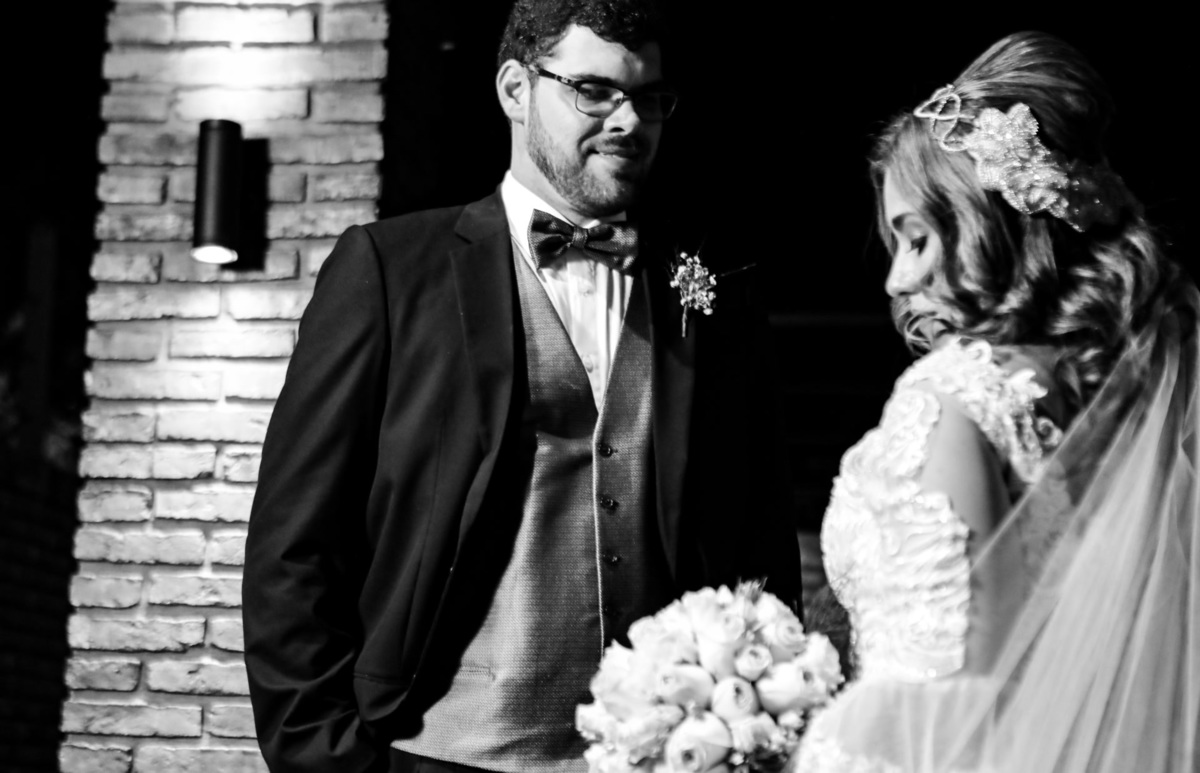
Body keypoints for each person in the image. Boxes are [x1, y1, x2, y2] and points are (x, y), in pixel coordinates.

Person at [242, 2, 802, 772]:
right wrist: (327, 756)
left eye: (649, 99)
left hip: (664, 757)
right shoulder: (391, 271)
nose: (629, 121)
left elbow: (760, 536)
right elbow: (296, 544)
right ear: (514, 88)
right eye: (594, 91)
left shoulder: (712, 292)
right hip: (434, 751)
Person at [796, 31, 1198, 772]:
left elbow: (948, 703)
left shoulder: (951, 397)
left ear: (985, 226)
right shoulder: (1125, 392)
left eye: (916, 239)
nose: (895, 281)